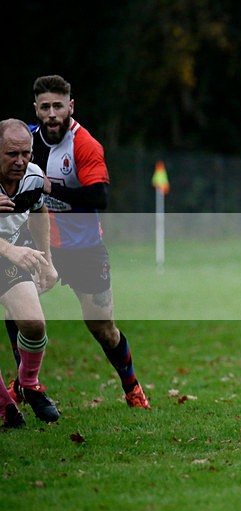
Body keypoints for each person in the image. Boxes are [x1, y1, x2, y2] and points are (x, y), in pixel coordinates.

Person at [6, 75, 150, 408]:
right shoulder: (24, 143)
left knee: (102, 327)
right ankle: (25, 383)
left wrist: (50, 188)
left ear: (71, 106)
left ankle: (132, 386)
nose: (52, 113)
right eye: (45, 107)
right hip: (37, 243)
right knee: (18, 311)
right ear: (36, 110)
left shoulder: (84, 145)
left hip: (84, 250)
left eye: (58, 106)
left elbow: (99, 197)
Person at [0, 118, 60, 425]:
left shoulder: (33, 177)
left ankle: (29, 383)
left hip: (8, 259)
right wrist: (10, 250)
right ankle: (6, 406)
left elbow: (39, 210)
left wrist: (46, 260)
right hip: (8, 253)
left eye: (26, 153)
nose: (21, 161)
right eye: (12, 154)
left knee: (34, 325)